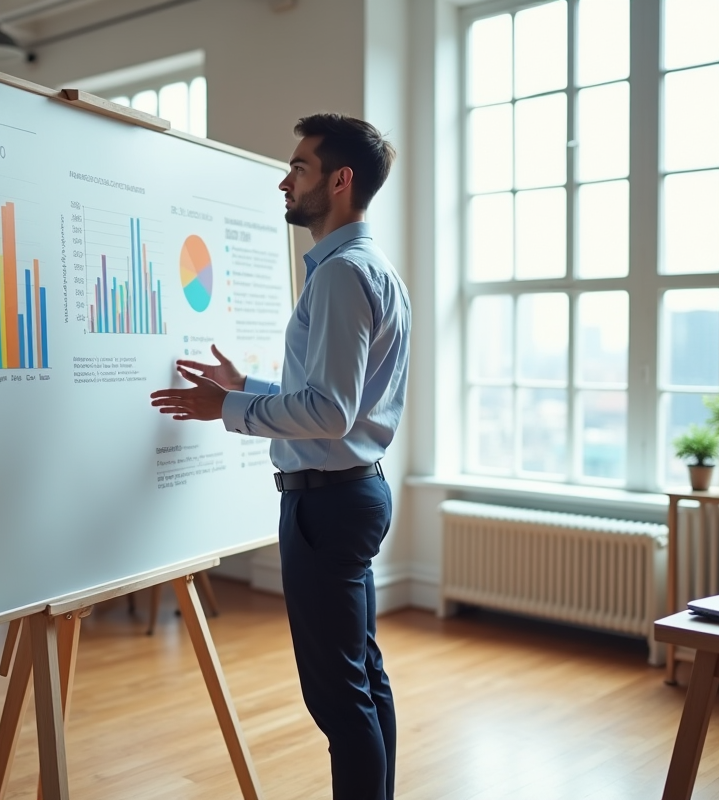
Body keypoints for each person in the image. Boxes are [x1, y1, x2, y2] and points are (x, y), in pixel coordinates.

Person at [150, 113, 410, 800]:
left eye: (298, 167)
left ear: (340, 180)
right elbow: (332, 400)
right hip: (351, 492)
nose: (284, 181)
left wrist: (226, 410)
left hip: (327, 503)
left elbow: (328, 411)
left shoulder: (340, 276)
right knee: (362, 677)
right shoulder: (368, 269)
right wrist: (249, 388)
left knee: (338, 697)